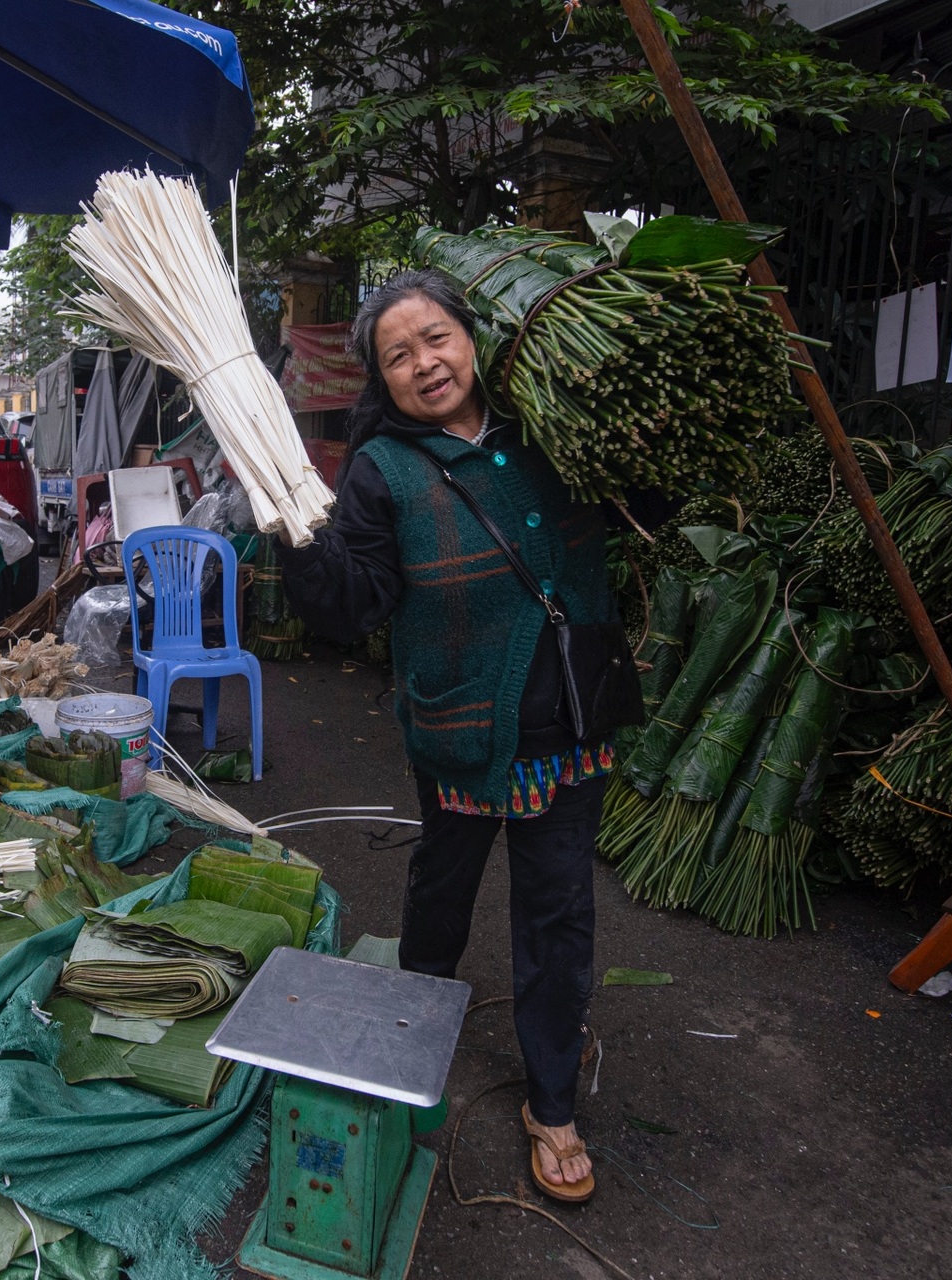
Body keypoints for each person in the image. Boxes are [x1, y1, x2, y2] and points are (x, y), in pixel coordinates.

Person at [277, 270, 644, 1203]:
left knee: (558, 916)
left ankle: (552, 1103)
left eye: (435, 338)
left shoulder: (554, 428)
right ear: (381, 380)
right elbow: (353, 608)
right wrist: (297, 540)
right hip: (457, 731)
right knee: (441, 896)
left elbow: (644, 493)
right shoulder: (383, 469)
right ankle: (409, 1054)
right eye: (398, 356)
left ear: (471, 338)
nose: (424, 364)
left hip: (566, 723)